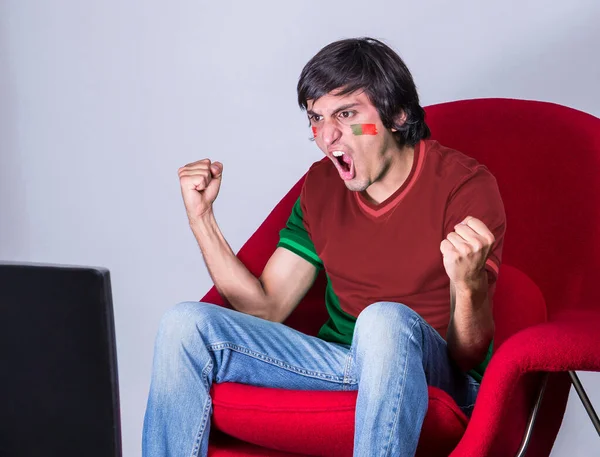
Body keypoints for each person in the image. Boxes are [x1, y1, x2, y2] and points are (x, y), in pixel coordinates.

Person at [142, 37, 506, 457]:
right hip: (341, 365)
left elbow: (469, 354)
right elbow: (265, 309)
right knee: (182, 323)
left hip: (439, 375)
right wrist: (200, 218)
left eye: (347, 114)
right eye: (316, 118)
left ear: (397, 115)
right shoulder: (320, 186)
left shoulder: (463, 186)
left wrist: (469, 284)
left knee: (382, 322)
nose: (327, 135)